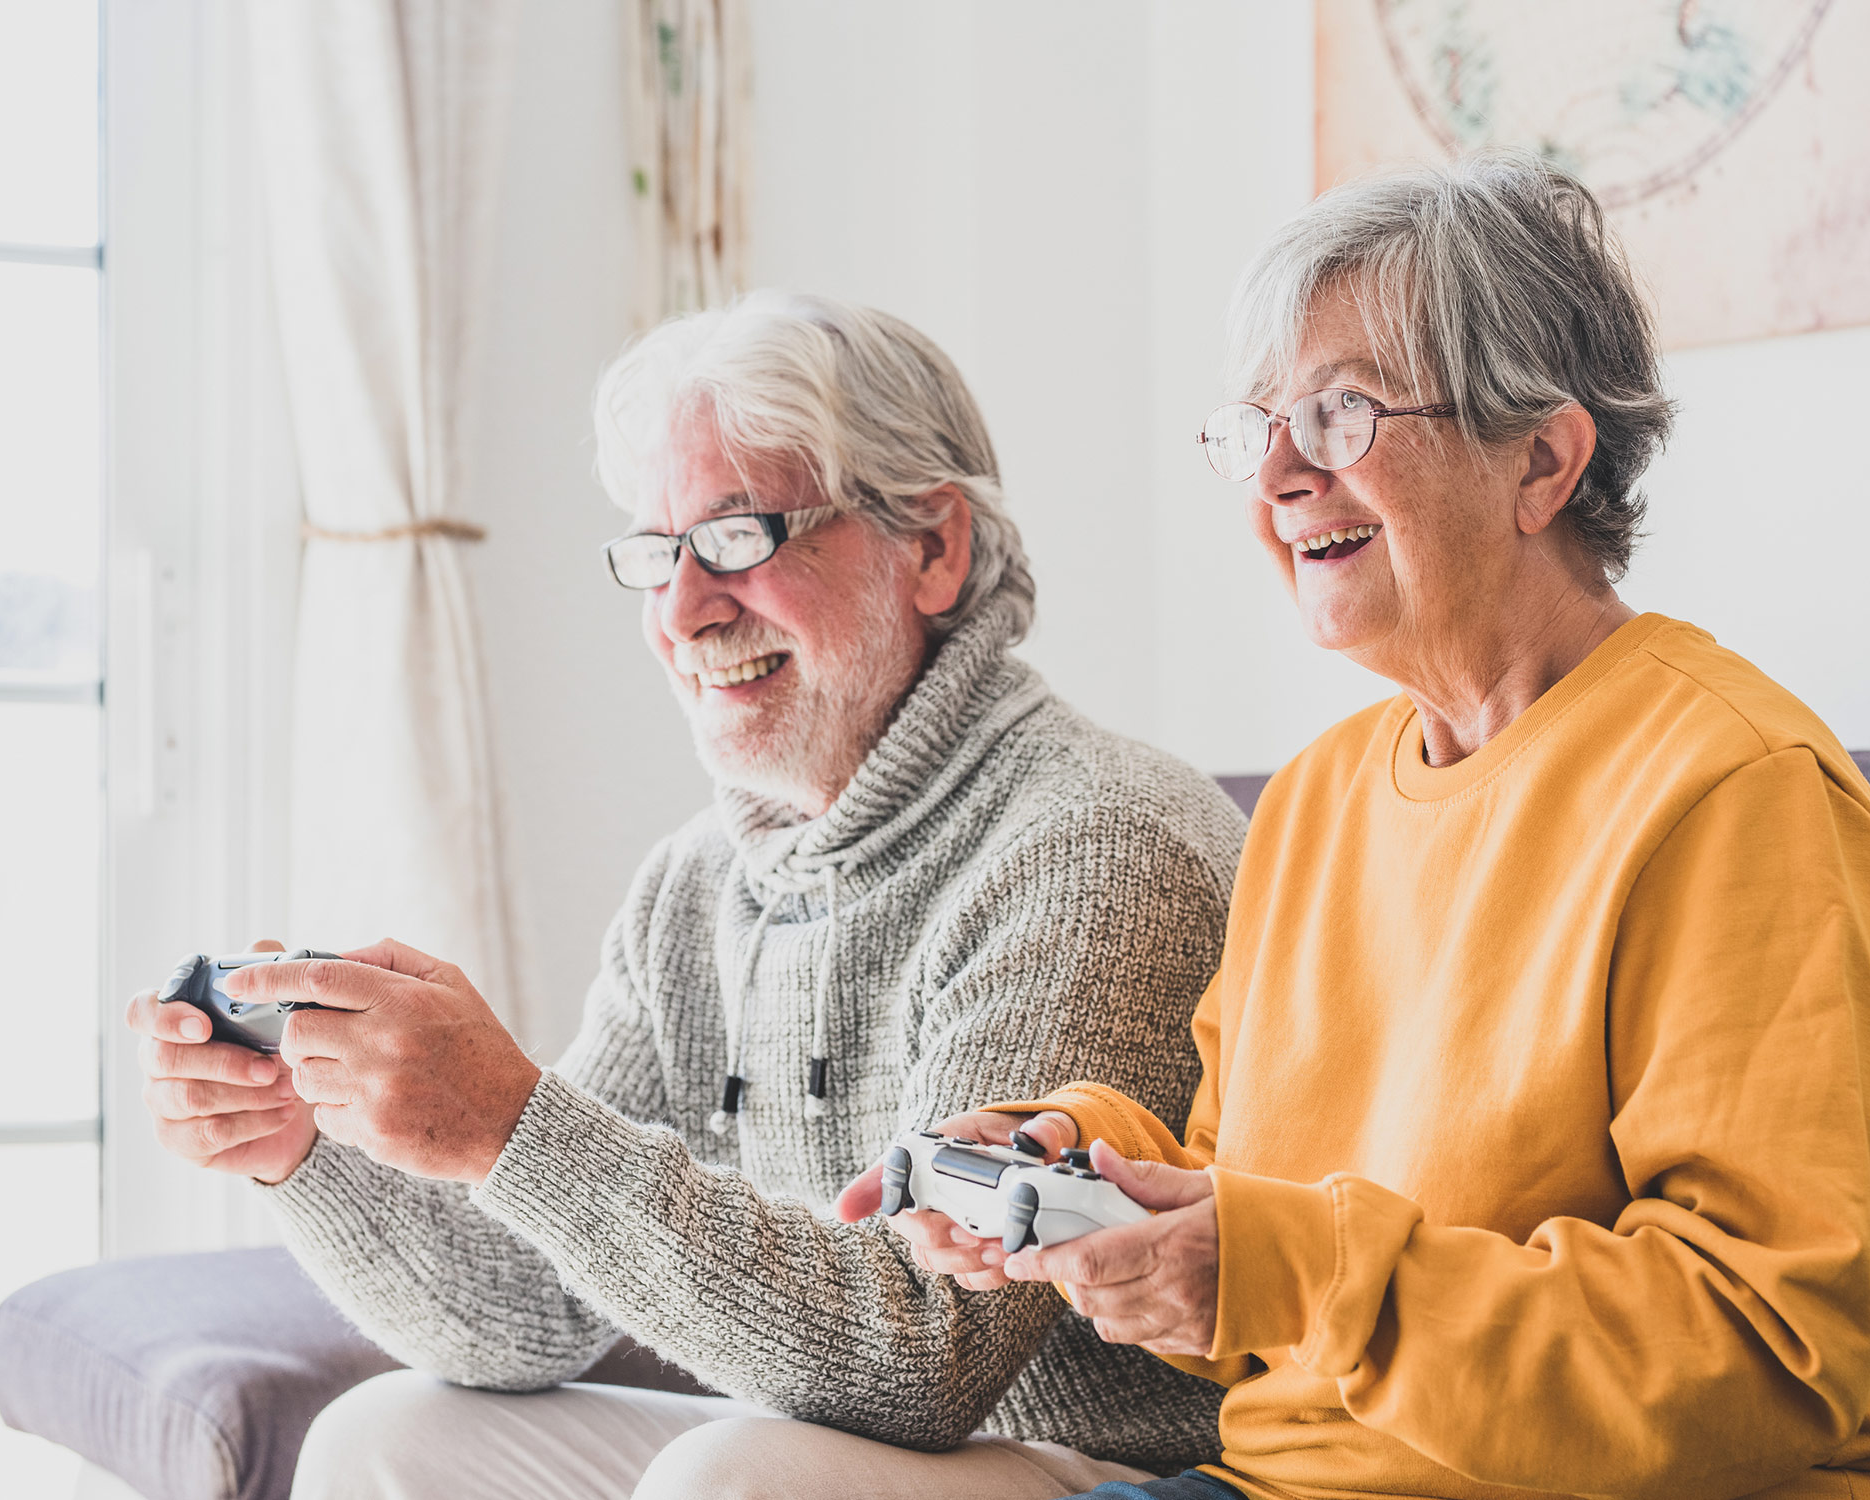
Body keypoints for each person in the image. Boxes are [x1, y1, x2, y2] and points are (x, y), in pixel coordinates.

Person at [657, 153, 1870, 1499]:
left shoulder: (1735, 792)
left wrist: (1278, 1267)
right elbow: (1257, 1188)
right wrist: (1083, 1168)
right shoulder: (1324, 795)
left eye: (1337, 415)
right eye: (1255, 424)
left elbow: (1760, 1356)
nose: (1273, 471)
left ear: (1542, 460)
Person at [125, 292, 1248, 1499]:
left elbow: (925, 1359)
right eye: (656, 554)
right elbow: (525, 1321)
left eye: (735, 539)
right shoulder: (698, 882)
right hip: (846, 1451)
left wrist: (514, 1123)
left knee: (731, 1474)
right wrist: (303, 1148)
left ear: (933, 549)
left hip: (1123, 1470)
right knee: (385, 1437)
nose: (680, 612)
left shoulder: (1092, 844)